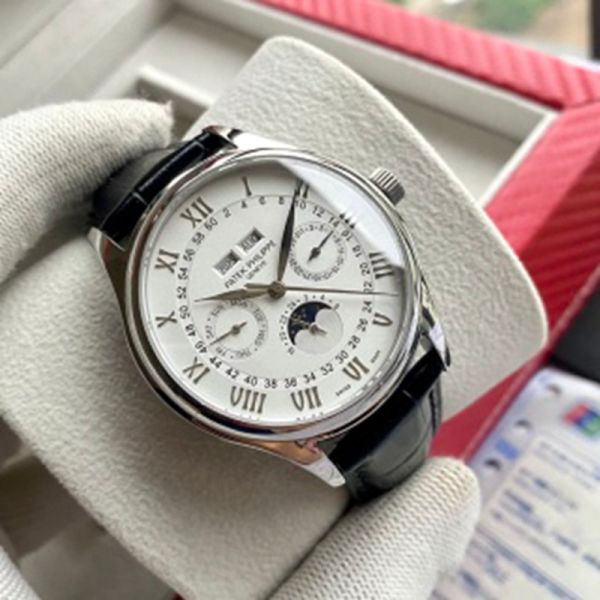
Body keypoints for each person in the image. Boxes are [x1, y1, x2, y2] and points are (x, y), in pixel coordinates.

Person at [0, 100, 480, 600]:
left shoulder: (241, 154)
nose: (276, 289)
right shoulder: (122, 257)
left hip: (408, 349)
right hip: (324, 424)